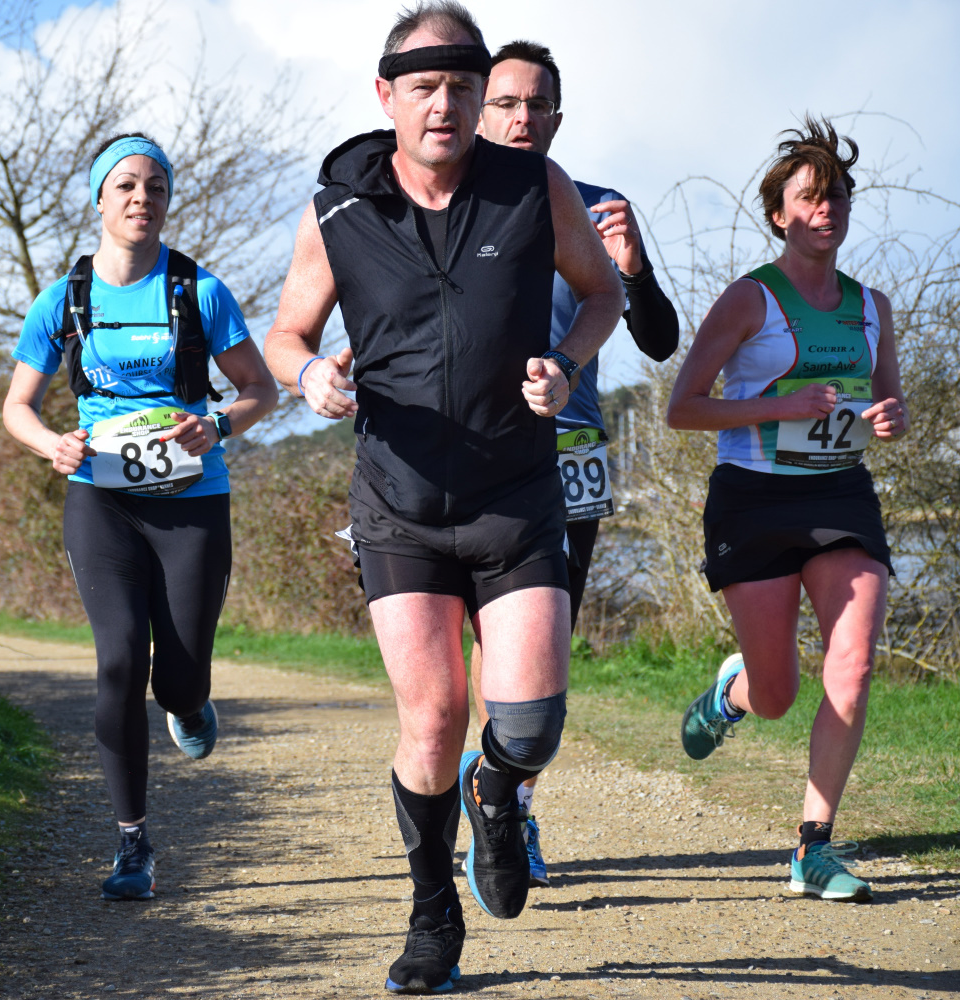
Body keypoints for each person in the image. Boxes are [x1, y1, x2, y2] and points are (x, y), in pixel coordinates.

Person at [264, 3, 624, 991]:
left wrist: (566, 361)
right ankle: (432, 918)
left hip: (516, 497)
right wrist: (308, 377)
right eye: (424, 87)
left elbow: (603, 292)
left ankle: (496, 791)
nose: (445, 105)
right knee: (432, 716)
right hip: (401, 505)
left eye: (463, 87)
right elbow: (286, 335)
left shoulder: (534, 186)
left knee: (531, 725)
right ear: (386, 96)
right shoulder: (338, 210)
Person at [1, 132, 277, 901]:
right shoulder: (63, 300)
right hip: (102, 498)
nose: (141, 198)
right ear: (99, 199)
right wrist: (52, 444)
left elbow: (260, 389)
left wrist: (216, 424)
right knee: (120, 659)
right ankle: (132, 844)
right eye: (125, 185)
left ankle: (188, 703)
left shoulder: (200, 292)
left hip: (193, 502)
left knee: (178, 681)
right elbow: (18, 406)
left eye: (155, 186)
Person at [666, 117, 907, 902]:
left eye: (835, 196)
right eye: (808, 197)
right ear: (780, 214)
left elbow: (888, 402)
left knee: (854, 662)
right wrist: (781, 406)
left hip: (840, 494)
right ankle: (732, 694)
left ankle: (813, 846)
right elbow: (683, 407)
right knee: (777, 695)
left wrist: (889, 418)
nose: (824, 209)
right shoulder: (750, 299)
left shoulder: (873, 306)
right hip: (754, 500)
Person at [463, 39, 680, 890]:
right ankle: (490, 790)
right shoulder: (451, 203)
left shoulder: (594, 208)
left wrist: (636, 270)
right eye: (506, 103)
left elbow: (658, 341)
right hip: (477, 455)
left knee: (541, 650)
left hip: (571, 456)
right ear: (479, 110)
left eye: (538, 105)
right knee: (488, 642)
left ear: (557, 118)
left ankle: (507, 799)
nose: (522, 118)